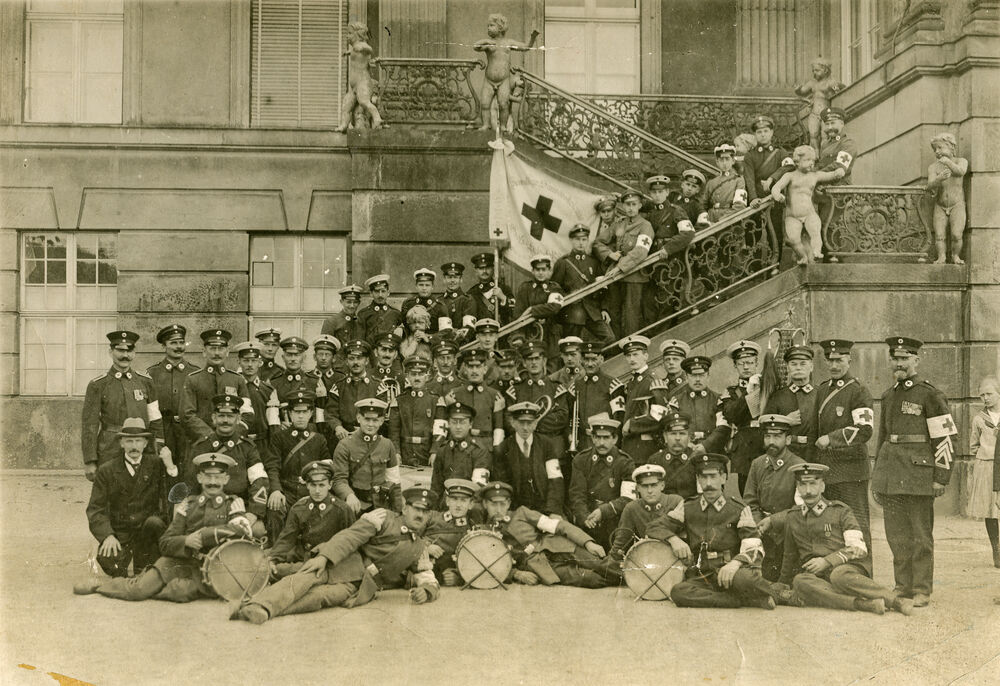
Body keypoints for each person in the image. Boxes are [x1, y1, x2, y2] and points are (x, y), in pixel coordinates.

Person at [233, 487, 441, 624]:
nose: (420, 514)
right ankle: (262, 606)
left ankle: (257, 611)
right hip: (343, 563)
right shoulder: (383, 517)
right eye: (416, 508)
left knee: (320, 598)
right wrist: (324, 558)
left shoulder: (419, 548)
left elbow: (427, 577)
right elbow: (350, 537)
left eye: (425, 511)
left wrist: (427, 591)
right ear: (405, 507)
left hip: (360, 586)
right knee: (306, 578)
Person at [74, 453, 255, 602]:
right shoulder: (188, 505)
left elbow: (244, 534)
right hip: (180, 562)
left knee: (181, 592)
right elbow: (165, 542)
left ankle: (161, 585)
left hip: (215, 570)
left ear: (226, 479)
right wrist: (186, 541)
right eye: (208, 476)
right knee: (138, 591)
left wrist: (205, 535)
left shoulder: (234, 504)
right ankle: (101, 586)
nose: (213, 482)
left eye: (218, 477)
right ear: (199, 478)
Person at [871, 336, 958, 607]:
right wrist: (878, 477)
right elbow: (883, 439)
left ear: (916, 360)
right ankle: (902, 586)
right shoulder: (888, 395)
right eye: (895, 358)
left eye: (904, 358)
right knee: (896, 535)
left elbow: (945, 439)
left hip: (919, 477)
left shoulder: (929, 394)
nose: (899, 363)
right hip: (891, 475)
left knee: (921, 535)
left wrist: (940, 476)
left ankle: (921, 589)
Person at [645, 452, 790, 609]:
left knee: (748, 579)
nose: (708, 483)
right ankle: (738, 600)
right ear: (698, 479)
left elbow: (754, 547)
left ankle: (773, 593)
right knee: (678, 592)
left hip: (731, 572)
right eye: (704, 477)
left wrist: (734, 564)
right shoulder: (688, 508)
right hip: (702, 576)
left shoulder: (737, 509)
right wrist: (674, 539)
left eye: (713, 476)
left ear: (723, 478)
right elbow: (653, 527)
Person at [779, 463, 913, 616]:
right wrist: (782, 582)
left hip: (848, 569)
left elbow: (859, 549)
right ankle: (864, 604)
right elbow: (788, 556)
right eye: (802, 485)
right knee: (800, 581)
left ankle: (895, 601)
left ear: (822, 486)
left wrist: (827, 561)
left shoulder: (840, 511)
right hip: (819, 578)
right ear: (797, 487)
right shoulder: (793, 516)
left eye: (813, 484)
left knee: (838, 576)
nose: (808, 491)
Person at [480, 481, 615, 588]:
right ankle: (628, 579)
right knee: (591, 580)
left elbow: (558, 526)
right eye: (493, 504)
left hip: (560, 547)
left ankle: (633, 576)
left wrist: (588, 542)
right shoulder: (483, 533)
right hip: (541, 566)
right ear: (485, 504)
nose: (498, 510)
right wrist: (516, 574)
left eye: (502, 504)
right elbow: (486, 564)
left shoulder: (521, 513)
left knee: (601, 565)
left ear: (509, 503)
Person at [85, 418, 170, 578]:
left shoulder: (157, 465)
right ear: (121, 443)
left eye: (138, 441)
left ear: (145, 443)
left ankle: (145, 563)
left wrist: (170, 466)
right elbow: (95, 510)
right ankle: (131, 563)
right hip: (121, 533)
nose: (134, 446)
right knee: (108, 560)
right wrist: (108, 535)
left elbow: (170, 498)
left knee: (155, 524)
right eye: (129, 441)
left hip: (147, 532)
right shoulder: (107, 470)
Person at [811, 339, 875, 551]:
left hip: (851, 472)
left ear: (849, 359)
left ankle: (862, 575)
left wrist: (832, 438)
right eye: (830, 360)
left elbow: (864, 430)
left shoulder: (858, 391)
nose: (834, 365)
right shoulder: (821, 390)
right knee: (829, 527)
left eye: (839, 360)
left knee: (856, 526)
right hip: (827, 472)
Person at [82, 330, 170, 481]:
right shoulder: (98, 385)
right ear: (111, 352)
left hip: (141, 448)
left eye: (129, 350)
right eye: (120, 350)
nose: (125, 355)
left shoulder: (146, 382)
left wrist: (159, 447)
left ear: (134, 353)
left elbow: (155, 418)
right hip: (110, 449)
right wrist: (90, 461)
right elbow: (90, 425)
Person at [185, 394, 269, 538]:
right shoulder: (200, 446)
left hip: (239, 507)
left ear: (238, 419)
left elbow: (259, 481)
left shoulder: (248, 447)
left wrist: (253, 513)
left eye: (230, 416)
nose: (225, 420)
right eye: (221, 415)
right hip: (206, 506)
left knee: (257, 531)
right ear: (213, 418)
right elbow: (190, 483)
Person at [267, 460, 355, 578]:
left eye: (322, 485)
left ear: (330, 484)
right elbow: (287, 538)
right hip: (304, 558)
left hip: (330, 560)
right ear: (307, 485)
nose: (317, 491)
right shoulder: (299, 508)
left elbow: (351, 541)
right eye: (313, 485)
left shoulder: (342, 509)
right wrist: (272, 559)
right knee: (269, 567)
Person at [744, 413, 805, 580]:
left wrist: (774, 521)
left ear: (788, 439)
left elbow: (802, 508)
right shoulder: (757, 464)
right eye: (767, 436)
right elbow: (749, 501)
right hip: (762, 531)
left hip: (787, 532)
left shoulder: (797, 466)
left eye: (777, 436)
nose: (771, 441)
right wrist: (758, 524)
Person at [265, 390, 332, 541]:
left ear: (311, 413)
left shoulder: (319, 439)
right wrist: (276, 490)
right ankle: (277, 552)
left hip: (311, 490)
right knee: (275, 508)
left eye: (304, 411)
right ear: (290, 413)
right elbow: (272, 466)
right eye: (296, 412)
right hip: (286, 491)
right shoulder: (279, 437)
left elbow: (327, 467)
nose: (300, 416)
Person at [568, 413, 635, 548]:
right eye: (597, 437)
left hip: (614, 523)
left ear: (615, 439)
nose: (601, 443)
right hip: (588, 521)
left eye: (606, 437)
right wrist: (584, 517)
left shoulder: (625, 462)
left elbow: (628, 498)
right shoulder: (581, 460)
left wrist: (603, 511)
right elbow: (577, 494)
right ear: (592, 438)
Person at [770, 144, 846, 263]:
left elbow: (830, 176)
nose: (811, 163)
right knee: (793, 239)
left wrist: (839, 171)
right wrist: (777, 195)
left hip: (810, 214)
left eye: (813, 160)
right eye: (807, 160)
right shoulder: (789, 176)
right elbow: (776, 188)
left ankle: (816, 252)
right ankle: (803, 256)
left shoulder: (814, 176)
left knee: (815, 232)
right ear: (797, 161)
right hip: (792, 216)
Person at [179, 329, 254, 444]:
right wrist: (210, 435)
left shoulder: (237, 379)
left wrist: (232, 434)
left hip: (232, 442)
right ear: (204, 351)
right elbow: (187, 415)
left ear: (227, 351)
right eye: (212, 348)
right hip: (202, 441)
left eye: (221, 348)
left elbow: (247, 413)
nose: (217, 353)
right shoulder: (193, 379)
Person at [331, 398, 403, 515]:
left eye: (375, 420)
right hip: (355, 505)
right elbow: (338, 479)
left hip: (381, 505)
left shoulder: (387, 445)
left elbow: (394, 481)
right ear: (358, 418)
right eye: (367, 419)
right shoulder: (345, 445)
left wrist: (398, 511)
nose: (370, 424)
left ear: (381, 421)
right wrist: (349, 495)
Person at [146, 323, 199, 478]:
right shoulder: (152, 373)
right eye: (173, 343)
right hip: (163, 430)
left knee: (189, 472)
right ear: (164, 346)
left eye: (181, 342)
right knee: (163, 473)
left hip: (188, 432)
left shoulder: (194, 373)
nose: (178, 347)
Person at [599, 190, 654, 337]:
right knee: (614, 312)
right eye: (627, 204)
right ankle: (616, 347)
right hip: (615, 275)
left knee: (631, 314)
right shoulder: (619, 224)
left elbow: (641, 251)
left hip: (634, 275)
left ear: (640, 206)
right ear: (623, 206)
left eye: (633, 204)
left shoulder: (645, 226)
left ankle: (631, 346)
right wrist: (609, 254)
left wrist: (620, 267)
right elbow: (598, 243)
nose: (630, 208)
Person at [494, 401, 564, 516]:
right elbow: (503, 486)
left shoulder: (546, 444)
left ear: (536, 423)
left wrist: (553, 511)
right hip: (516, 511)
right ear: (512, 422)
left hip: (545, 509)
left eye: (529, 423)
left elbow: (555, 480)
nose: (525, 428)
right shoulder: (503, 448)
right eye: (521, 422)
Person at [506, 340, 571, 464]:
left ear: (544, 361)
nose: (534, 362)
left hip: (552, 446)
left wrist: (529, 423)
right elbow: (508, 419)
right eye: (529, 359)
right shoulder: (515, 390)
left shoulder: (556, 388)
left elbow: (562, 417)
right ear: (524, 363)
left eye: (537, 358)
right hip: (524, 447)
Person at [551, 224, 614, 347]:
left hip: (592, 310)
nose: (581, 243)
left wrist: (604, 309)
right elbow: (555, 288)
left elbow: (603, 288)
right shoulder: (563, 263)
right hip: (572, 311)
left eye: (584, 239)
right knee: (571, 345)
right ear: (571, 240)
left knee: (610, 339)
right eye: (577, 239)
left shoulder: (593, 262)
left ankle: (591, 359)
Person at [474, 13, 538, 132]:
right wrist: (486, 41)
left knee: (503, 104)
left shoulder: (509, 43)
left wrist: (533, 38)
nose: (488, 28)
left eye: (491, 25)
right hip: (489, 80)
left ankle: (503, 126)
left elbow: (526, 47)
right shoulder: (489, 44)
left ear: (500, 28)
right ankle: (486, 124)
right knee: (485, 104)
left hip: (504, 80)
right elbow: (476, 46)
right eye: (488, 26)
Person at [438, 348, 506, 458]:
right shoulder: (455, 394)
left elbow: (498, 427)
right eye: (470, 367)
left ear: (484, 369)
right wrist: (450, 406)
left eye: (478, 366)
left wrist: (497, 451)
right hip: (461, 449)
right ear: (465, 369)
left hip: (486, 450)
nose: (474, 371)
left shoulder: (494, 395)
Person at [743, 114, 793, 262]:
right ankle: (753, 268)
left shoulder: (780, 152)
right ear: (755, 134)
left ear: (771, 132)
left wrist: (772, 178)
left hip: (773, 199)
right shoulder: (750, 156)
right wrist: (753, 198)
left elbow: (789, 166)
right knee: (752, 233)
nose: (763, 135)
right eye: (759, 132)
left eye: (765, 131)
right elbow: (749, 179)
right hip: (756, 200)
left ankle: (775, 267)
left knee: (775, 233)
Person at [608, 464, 684, 560]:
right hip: (645, 561)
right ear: (638, 488)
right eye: (644, 486)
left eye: (654, 485)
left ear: (662, 485)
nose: (650, 491)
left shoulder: (675, 501)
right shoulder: (632, 508)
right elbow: (621, 543)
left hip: (674, 560)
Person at [611, 335, 667, 463]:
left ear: (645, 356)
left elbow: (660, 417)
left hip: (645, 449)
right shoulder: (632, 382)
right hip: (630, 448)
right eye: (628, 356)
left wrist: (632, 424)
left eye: (636, 354)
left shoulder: (652, 381)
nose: (631, 359)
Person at [719, 339, 765, 494]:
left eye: (750, 362)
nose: (746, 367)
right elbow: (731, 415)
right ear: (735, 365)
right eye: (741, 363)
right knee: (746, 493)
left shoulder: (766, 387)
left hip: (765, 443)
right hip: (744, 448)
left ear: (756, 363)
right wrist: (748, 391)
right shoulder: (731, 392)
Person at [763, 344, 818, 460]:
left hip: (815, 453)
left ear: (811, 367)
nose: (798, 368)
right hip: (786, 454)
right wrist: (785, 422)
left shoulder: (821, 393)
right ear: (788, 368)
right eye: (793, 364)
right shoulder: (778, 396)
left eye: (803, 363)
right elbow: (765, 428)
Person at [389, 356, 445, 468]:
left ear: (427, 376)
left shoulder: (436, 400)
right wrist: (396, 452)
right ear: (407, 376)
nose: (417, 378)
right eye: (413, 374)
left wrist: (434, 451)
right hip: (405, 453)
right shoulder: (399, 401)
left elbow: (440, 431)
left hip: (427, 453)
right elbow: (394, 431)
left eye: (420, 374)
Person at [423, 478, 482, 585]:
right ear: (447, 501)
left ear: (471, 504)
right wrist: (426, 547)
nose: (458, 505)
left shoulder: (472, 530)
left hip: (442, 578)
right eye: (454, 499)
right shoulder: (432, 517)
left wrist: (460, 577)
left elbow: (476, 563)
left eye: (463, 500)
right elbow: (410, 536)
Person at [430, 402, 492, 500]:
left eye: (462, 422)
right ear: (449, 424)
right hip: (447, 504)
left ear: (470, 424)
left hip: (470, 504)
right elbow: (436, 487)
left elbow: (479, 488)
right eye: (454, 422)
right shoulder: (443, 450)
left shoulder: (479, 451)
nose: (458, 427)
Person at [967, 376, 999, 567]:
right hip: (986, 466)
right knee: (990, 510)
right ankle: (997, 550)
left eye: (989, 394)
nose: (985, 398)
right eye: (982, 395)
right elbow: (973, 445)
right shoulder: (979, 419)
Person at [326, 339, 383, 445]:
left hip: (370, 437)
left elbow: (383, 415)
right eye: (351, 359)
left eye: (359, 358)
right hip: (344, 437)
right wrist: (338, 427)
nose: (355, 363)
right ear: (346, 362)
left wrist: (365, 429)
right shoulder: (339, 386)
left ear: (366, 361)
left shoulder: (378, 386)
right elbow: (330, 413)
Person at [674, 355, 731, 457]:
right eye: (693, 375)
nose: (697, 379)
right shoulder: (677, 401)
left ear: (708, 376)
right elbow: (673, 428)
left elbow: (723, 428)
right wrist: (687, 444)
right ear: (686, 377)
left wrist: (705, 446)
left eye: (701, 375)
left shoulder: (718, 400)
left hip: (712, 451)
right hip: (685, 451)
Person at [233, 340, 276, 474]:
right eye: (246, 360)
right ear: (239, 361)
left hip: (263, 444)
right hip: (239, 441)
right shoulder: (232, 388)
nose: (250, 365)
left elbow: (273, 421)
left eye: (254, 360)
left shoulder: (268, 389)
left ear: (260, 362)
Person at [925, 132, 968, 264]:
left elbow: (961, 171)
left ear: (951, 147)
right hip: (940, 205)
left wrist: (948, 162)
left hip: (957, 204)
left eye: (940, 148)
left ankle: (955, 256)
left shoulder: (961, 161)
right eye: (935, 149)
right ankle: (941, 256)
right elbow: (930, 185)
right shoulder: (933, 167)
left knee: (956, 235)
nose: (937, 151)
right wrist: (939, 179)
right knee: (939, 236)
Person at [266, 337, 327, 430]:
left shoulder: (314, 382)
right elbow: (269, 413)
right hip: (283, 435)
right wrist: (279, 424)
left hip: (308, 434)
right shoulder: (274, 383)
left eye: (297, 355)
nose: (293, 359)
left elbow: (320, 414)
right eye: (289, 355)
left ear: (304, 357)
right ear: (283, 357)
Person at [513, 256, 565, 361]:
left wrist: (532, 310)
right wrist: (518, 336)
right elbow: (518, 315)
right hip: (530, 334)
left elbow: (554, 307)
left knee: (552, 364)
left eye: (544, 269)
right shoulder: (525, 288)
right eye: (537, 270)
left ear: (549, 271)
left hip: (551, 335)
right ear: (532, 271)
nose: (540, 273)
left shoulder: (554, 287)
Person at [813, 106, 857, 229]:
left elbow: (839, 165)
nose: (829, 127)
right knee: (823, 226)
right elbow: (822, 164)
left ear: (842, 123)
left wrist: (815, 175)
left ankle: (832, 248)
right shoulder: (825, 144)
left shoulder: (847, 143)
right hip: (824, 191)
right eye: (826, 124)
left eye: (833, 123)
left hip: (839, 190)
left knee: (830, 226)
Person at [335, 22, 382, 131]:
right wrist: (349, 52)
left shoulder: (362, 47)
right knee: (346, 106)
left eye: (350, 33)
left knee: (364, 102)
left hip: (363, 83)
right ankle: (343, 125)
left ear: (358, 35)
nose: (347, 36)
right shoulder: (354, 49)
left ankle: (377, 117)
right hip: (354, 86)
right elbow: (354, 51)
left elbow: (368, 49)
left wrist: (359, 47)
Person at [569, 341, 612, 453]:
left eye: (594, 359)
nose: (589, 364)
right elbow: (569, 416)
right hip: (583, 443)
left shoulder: (611, 384)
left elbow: (618, 417)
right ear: (581, 361)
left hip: (605, 442)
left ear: (601, 359)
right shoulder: (576, 386)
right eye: (586, 360)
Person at [793, 58, 845, 151]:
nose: (814, 73)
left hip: (826, 115)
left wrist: (837, 87)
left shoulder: (830, 82)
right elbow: (803, 91)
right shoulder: (812, 83)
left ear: (825, 70)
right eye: (813, 70)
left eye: (817, 70)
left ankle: (824, 153)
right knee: (813, 135)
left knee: (825, 135)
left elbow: (839, 92)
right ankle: (815, 155)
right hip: (814, 114)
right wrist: (798, 89)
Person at [647, 412, 699, 499]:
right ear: (665, 437)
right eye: (673, 433)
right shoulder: (655, 461)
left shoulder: (696, 459)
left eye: (682, 433)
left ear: (689, 437)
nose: (677, 438)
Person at [704, 144, 748, 222]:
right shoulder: (711, 183)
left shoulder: (738, 180)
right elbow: (703, 205)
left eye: (727, 159)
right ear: (717, 162)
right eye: (721, 160)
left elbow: (740, 206)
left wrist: (723, 220)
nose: (724, 163)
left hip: (729, 219)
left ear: (733, 161)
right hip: (710, 218)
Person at [469, 252, 515, 324]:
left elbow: (514, 311)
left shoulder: (503, 288)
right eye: (481, 268)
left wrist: (503, 298)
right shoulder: (471, 293)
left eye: (487, 267)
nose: (484, 271)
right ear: (476, 271)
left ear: (493, 269)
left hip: (501, 332)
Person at [401, 267, 449, 334]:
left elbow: (445, 331)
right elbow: (405, 329)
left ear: (432, 287)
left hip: (432, 343)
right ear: (416, 286)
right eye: (421, 285)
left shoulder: (440, 306)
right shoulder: (408, 304)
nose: (424, 288)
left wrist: (428, 337)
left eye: (427, 285)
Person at [358, 274, 403, 345]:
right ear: (371, 293)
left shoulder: (395, 313)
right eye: (376, 291)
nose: (380, 295)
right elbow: (360, 339)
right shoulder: (363, 314)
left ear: (388, 292)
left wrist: (401, 329)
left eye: (383, 291)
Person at [321, 285, 367, 349]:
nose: (352, 306)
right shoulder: (331, 321)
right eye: (348, 302)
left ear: (359, 303)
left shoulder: (361, 321)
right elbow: (326, 347)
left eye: (355, 302)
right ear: (341, 302)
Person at [439, 262, 477, 337]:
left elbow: (468, 328)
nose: (452, 280)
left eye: (456, 277)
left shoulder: (468, 300)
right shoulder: (439, 300)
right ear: (444, 279)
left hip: (462, 344)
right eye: (449, 277)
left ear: (461, 279)